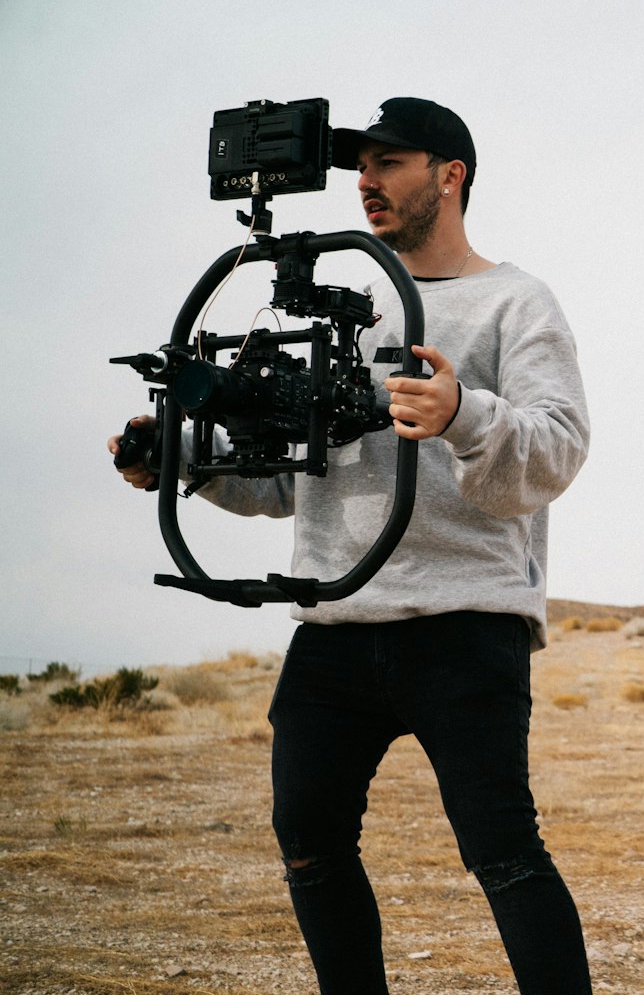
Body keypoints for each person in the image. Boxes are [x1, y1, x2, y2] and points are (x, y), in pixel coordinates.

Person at [110, 97, 592, 994]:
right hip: (334, 620)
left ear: (450, 176)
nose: (366, 182)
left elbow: (556, 450)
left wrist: (463, 413)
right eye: (359, 167)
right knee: (309, 842)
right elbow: (299, 481)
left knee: (502, 853)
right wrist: (179, 463)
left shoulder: (514, 301)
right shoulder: (354, 307)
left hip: (463, 622)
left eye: (391, 163)